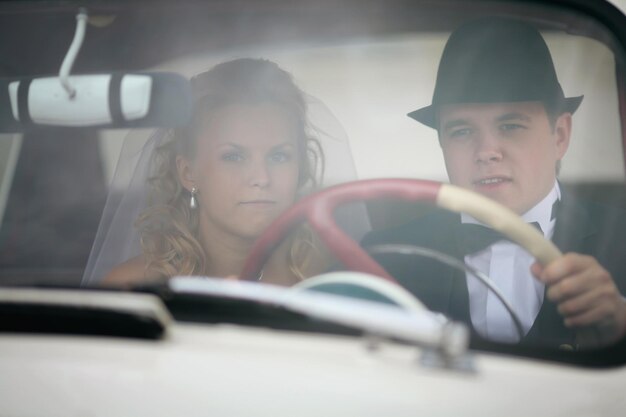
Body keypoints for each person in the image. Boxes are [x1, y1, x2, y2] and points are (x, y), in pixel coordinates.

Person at [362, 17, 626, 349]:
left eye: (511, 126)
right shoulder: (383, 255)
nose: (486, 152)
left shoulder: (622, 240)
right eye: (461, 131)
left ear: (559, 136)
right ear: (442, 143)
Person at [99, 58, 330, 287]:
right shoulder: (133, 286)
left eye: (279, 156)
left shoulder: (323, 283)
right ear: (188, 173)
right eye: (233, 157)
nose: (262, 178)